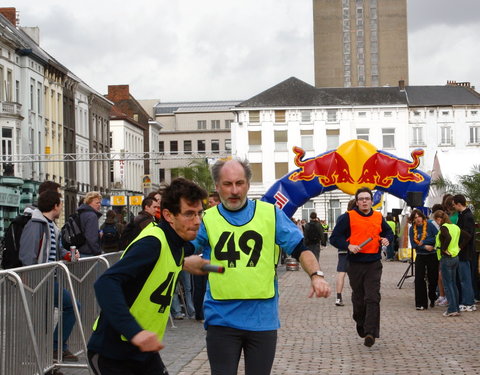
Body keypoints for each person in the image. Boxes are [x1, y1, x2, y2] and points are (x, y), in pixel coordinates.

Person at [192, 158, 331, 375]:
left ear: (248, 184)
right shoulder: (206, 219)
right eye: (227, 184)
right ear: (217, 187)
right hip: (221, 318)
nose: (234, 190)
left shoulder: (269, 213)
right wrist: (200, 265)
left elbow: (301, 249)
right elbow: (178, 252)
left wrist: (316, 274)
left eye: (240, 183)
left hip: (262, 319)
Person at [87, 178, 209, 375]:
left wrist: (185, 263)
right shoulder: (152, 242)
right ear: (169, 215)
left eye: (199, 213)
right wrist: (135, 332)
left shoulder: (177, 244)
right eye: (189, 214)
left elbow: (169, 260)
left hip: (144, 352)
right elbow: (106, 282)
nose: (197, 221)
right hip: (113, 352)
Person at [19, 190, 80, 367]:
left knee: (44, 320)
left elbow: (55, 250)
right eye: (60, 204)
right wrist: (29, 275)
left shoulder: (51, 225)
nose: (61, 208)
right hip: (41, 279)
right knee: (70, 307)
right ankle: (50, 353)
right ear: (55, 205)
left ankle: (48, 358)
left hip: (49, 278)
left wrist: (68, 255)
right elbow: (28, 253)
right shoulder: (36, 224)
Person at [330, 187, 393, 348]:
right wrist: (348, 245)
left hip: (373, 263)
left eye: (367, 198)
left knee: (372, 297)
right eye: (361, 199)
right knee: (359, 298)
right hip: (355, 263)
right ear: (357, 202)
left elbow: (388, 232)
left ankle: (371, 332)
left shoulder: (379, 217)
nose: (364, 201)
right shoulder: (347, 217)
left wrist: (387, 239)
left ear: (372, 201)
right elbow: (334, 238)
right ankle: (360, 322)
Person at [432, 210, 471, 317]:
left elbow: (448, 237)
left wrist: (444, 249)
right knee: (453, 284)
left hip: (447, 258)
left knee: (448, 285)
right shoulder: (455, 227)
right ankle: (456, 308)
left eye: (436, 220)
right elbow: (467, 236)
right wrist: (459, 247)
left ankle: (452, 309)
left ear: (439, 219)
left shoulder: (444, 227)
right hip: (455, 257)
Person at [408, 209, 439, 310]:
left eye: (419, 216)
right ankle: (421, 303)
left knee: (433, 278)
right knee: (419, 279)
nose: (418, 219)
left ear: (422, 216)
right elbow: (414, 244)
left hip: (432, 255)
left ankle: (432, 297)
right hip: (421, 255)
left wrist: (424, 242)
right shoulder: (412, 229)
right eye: (415, 218)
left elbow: (437, 237)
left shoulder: (430, 225)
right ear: (413, 220)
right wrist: (425, 246)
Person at [452, 194, 477, 311]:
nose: (453, 207)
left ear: (458, 204)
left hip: (465, 252)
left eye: (454, 205)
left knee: (465, 278)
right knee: (463, 277)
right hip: (462, 251)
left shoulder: (467, 216)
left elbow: (467, 235)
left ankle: (468, 302)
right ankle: (466, 301)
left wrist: (459, 247)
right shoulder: (463, 215)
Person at [335, 198, 356, 307]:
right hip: (355, 248)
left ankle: (338, 297)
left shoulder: (341, 218)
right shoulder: (356, 217)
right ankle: (357, 295)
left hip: (342, 248)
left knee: (341, 273)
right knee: (356, 273)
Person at [77, 191, 103, 257]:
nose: (99, 205)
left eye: (100, 203)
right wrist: (98, 252)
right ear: (89, 203)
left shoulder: (81, 213)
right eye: (97, 203)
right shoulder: (92, 216)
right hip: (89, 254)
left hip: (80, 252)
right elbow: (91, 238)